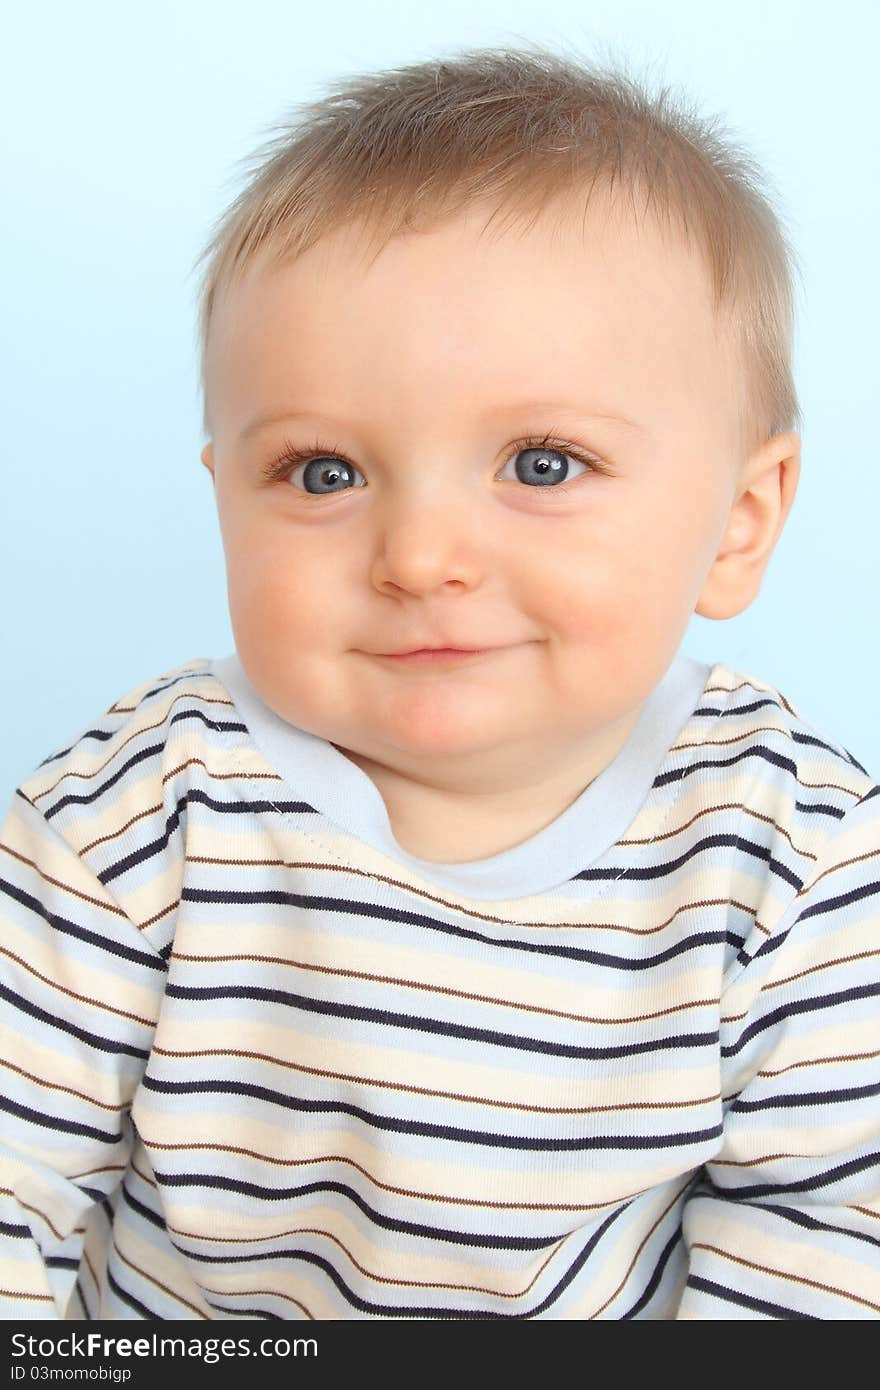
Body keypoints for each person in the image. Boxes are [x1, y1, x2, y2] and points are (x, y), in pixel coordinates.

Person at [2, 43, 878, 1322]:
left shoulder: (791, 858)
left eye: (540, 464)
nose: (419, 557)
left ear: (738, 523)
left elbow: (831, 1236)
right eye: (322, 473)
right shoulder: (145, 812)